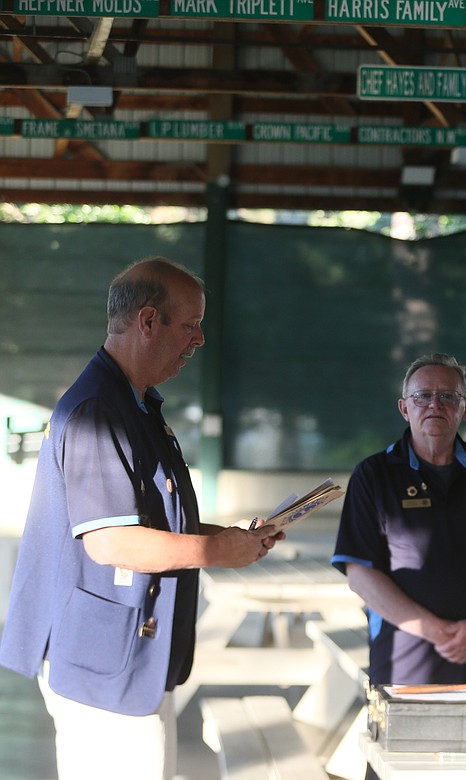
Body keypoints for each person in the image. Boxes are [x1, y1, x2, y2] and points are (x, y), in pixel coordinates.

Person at [0, 257, 283, 780]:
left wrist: (226, 536)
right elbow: (111, 541)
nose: (198, 340)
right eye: (190, 324)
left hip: (128, 656)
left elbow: (151, 520)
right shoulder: (99, 410)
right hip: (103, 664)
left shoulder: (135, 404)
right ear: (148, 322)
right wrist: (217, 553)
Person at [332, 353, 466, 695]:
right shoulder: (373, 475)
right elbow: (360, 573)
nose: (435, 404)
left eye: (448, 396)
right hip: (404, 655)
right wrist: (435, 631)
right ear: (404, 407)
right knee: (405, 747)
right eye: (423, 396)